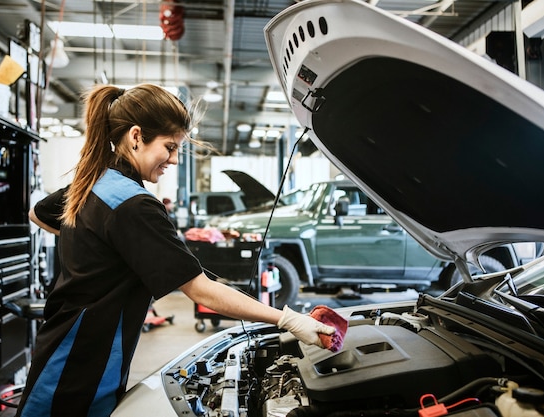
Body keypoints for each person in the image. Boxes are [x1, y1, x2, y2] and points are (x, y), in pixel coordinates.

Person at [17, 83, 335, 417]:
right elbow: (201, 291)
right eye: (169, 146)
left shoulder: (95, 180)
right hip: (81, 362)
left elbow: (38, 214)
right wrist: (287, 319)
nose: (174, 158)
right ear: (136, 136)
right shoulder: (135, 205)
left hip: (61, 342)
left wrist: (98, 247)